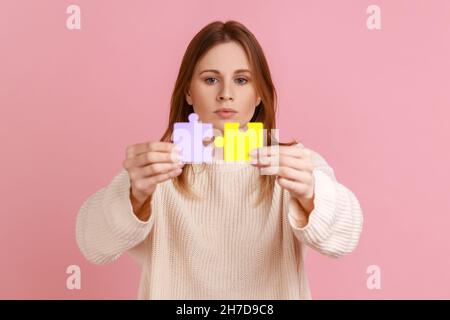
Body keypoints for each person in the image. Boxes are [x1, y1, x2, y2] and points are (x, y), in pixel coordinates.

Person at [76, 20, 363, 299]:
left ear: (260, 93)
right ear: (189, 91)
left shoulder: (295, 165)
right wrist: (133, 196)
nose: (226, 94)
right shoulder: (156, 170)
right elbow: (93, 246)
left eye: (241, 80)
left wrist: (312, 194)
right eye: (211, 79)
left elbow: (345, 240)